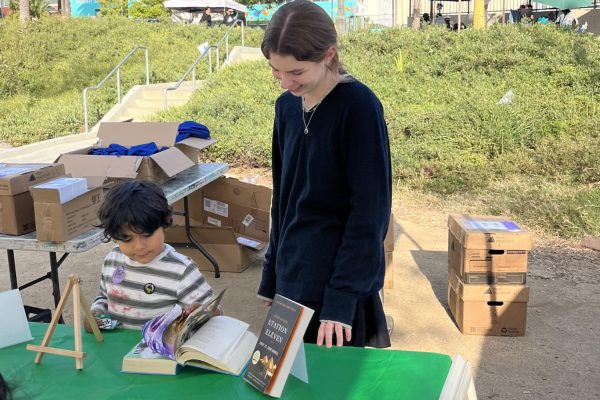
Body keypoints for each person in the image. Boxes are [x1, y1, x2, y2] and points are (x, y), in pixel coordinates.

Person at [258, 0, 391, 349]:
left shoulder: (359, 106)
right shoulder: (286, 107)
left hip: (337, 282)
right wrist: (271, 275)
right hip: (291, 277)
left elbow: (370, 212)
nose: (285, 83)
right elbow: (282, 198)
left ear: (329, 55)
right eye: (275, 71)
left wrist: (342, 297)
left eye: (297, 72)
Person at [86, 181, 215, 331]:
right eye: (127, 239)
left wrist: (203, 313)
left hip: (161, 350)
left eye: (147, 235)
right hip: (118, 347)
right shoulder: (112, 260)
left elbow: (212, 310)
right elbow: (104, 297)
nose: (139, 246)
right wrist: (96, 314)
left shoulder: (181, 270)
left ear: (164, 223)